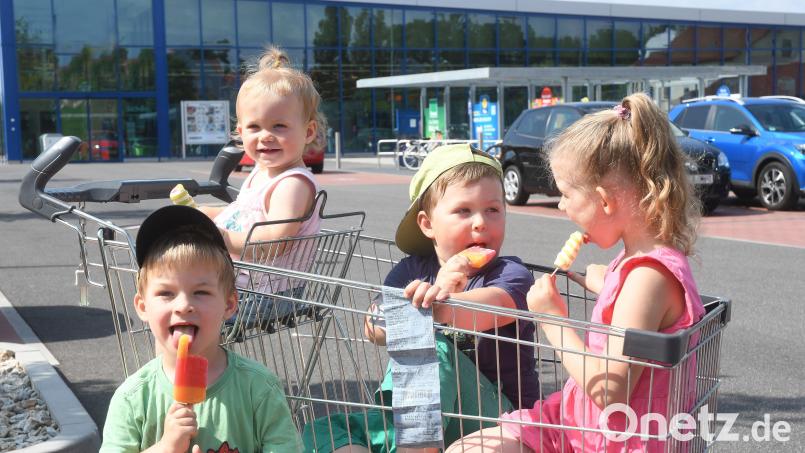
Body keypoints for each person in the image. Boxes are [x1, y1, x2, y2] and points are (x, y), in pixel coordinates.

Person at [446, 93, 706, 452]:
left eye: (566, 194)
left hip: (610, 437)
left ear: (604, 200)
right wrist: (611, 286)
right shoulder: (642, 266)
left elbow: (611, 392)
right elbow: (642, 321)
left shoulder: (647, 277)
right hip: (578, 421)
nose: (562, 205)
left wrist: (551, 319)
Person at [303, 144, 539, 453]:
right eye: (464, 211)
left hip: (497, 417)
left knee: (432, 349)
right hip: (418, 409)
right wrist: (398, 313)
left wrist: (441, 304)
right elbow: (374, 327)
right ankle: (408, 441)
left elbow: (497, 306)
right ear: (427, 224)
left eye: (493, 210)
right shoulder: (411, 271)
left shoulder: (511, 273)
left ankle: (413, 448)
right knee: (323, 430)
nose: (481, 221)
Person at [100, 205, 301, 453]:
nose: (184, 305)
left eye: (201, 292)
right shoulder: (132, 398)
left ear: (229, 304)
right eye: (166, 293)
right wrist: (165, 447)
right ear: (142, 306)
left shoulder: (259, 388)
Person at [198, 45, 327, 334]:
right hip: (243, 287)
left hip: (268, 295)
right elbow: (244, 214)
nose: (266, 136)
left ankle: (192, 378)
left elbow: (273, 242)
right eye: (254, 127)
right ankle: (191, 376)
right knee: (171, 300)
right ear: (240, 133)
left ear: (308, 132)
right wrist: (207, 213)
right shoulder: (261, 172)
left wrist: (221, 237)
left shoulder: (293, 183)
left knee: (182, 311)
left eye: (279, 126)